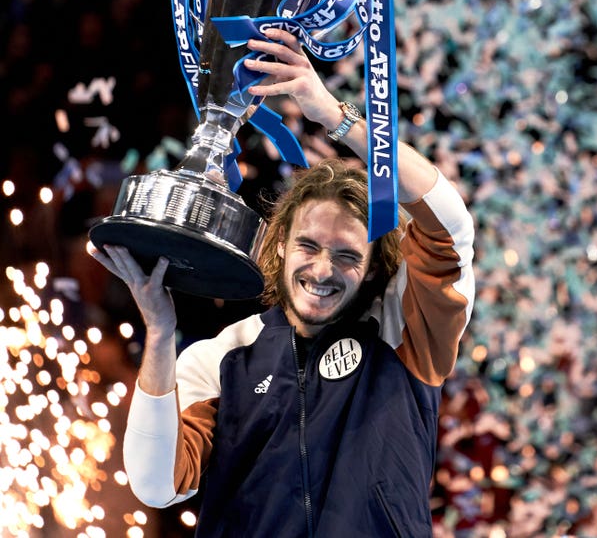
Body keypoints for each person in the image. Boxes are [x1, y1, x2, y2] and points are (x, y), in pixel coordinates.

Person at [88, 28, 475, 537]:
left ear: (374, 262)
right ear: (278, 246)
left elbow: (450, 226)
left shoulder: (404, 331)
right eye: (309, 247)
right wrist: (159, 334)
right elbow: (157, 484)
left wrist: (334, 116)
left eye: (346, 256)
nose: (321, 270)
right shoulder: (221, 357)